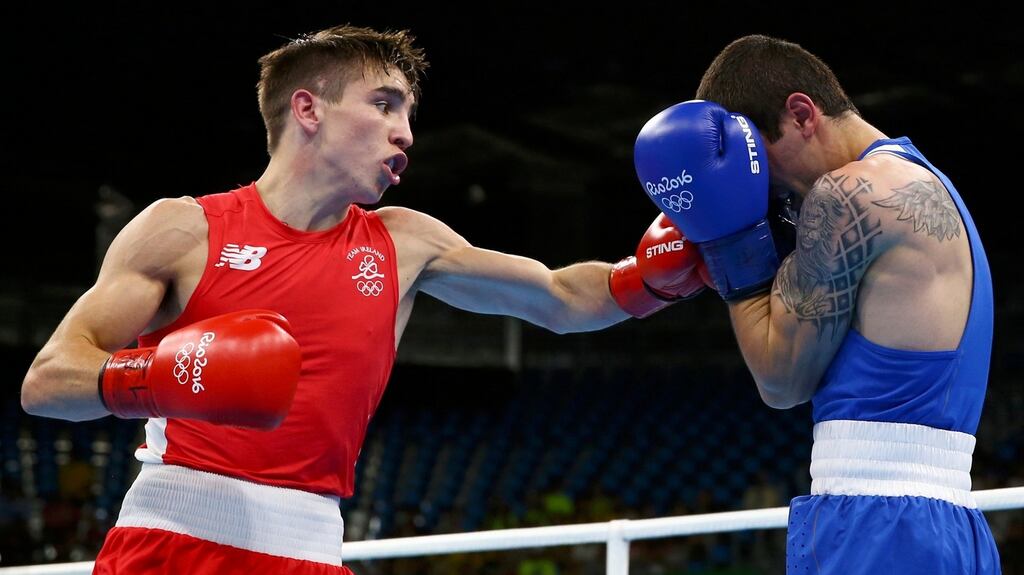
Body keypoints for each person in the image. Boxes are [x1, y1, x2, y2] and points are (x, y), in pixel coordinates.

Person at [19, 24, 706, 574]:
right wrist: (162, 377)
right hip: (172, 541)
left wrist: (644, 279)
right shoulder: (183, 230)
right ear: (309, 109)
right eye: (384, 104)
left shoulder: (404, 243)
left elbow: (557, 294)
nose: (405, 132)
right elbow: (48, 381)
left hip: (313, 547)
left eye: (407, 112)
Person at [632, 35, 999, 573]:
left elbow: (780, 381)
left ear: (802, 114)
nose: (766, 192)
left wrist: (729, 238)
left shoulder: (848, 193)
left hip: (878, 526)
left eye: (762, 165)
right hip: (948, 525)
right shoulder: (924, 183)